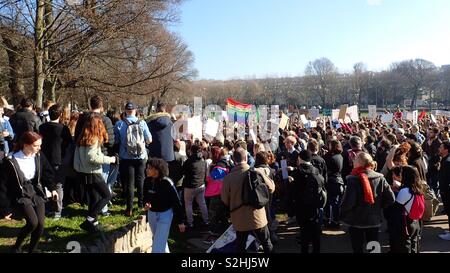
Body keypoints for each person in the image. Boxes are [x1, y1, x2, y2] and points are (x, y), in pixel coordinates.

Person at [0, 132, 58, 253]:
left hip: (36, 191)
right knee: (33, 223)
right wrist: (5, 208)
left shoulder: (38, 156)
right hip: (21, 194)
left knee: (41, 224)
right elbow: (2, 186)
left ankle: (33, 249)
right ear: (26, 145)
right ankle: (16, 247)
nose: (39, 148)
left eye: (40, 145)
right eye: (36, 145)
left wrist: (52, 188)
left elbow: (47, 173)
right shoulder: (10, 161)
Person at [221, 148, 275, 253]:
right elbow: (272, 187)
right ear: (246, 158)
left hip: (239, 217)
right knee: (266, 243)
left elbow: (224, 199)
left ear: (233, 159)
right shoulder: (256, 172)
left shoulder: (228, 178)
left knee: (241, 246)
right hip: (257, 215)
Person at [340, 152, 395, 253]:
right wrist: (379, 206)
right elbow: (391, 198)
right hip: (374, 218)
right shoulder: (380, 178)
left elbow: (348, 202)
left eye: (355, 159)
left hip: (356, 220)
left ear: (358, 163)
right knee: (373, 246)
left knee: (357, 247)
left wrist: (342, 212)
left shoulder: (353, 179)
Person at [74, 115, 116, 232]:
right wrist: (110, 159)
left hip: (83, 172)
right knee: (106, 195)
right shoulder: (94, 139)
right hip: (93, 172)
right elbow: (92, 158)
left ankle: (94, 224)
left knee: (93, 198)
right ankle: (90, 219)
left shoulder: (82, 137)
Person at [114, 102, 152, 216]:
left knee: (129, 182)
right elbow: (149, 139)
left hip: (126, 157)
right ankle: (141, 205)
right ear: (135, 110)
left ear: (125, 111)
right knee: (141, 180)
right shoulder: (142, 123)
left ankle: (129, 208)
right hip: (141, 156)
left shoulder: (119, 124)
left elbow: (116, 140)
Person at [143, 158, 185, 253]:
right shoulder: (147, 181)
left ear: (157, 170)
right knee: (159, 239)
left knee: (158, 243)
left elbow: (176, 202)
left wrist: (181, 221)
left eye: (149, 168)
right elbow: (145, 197)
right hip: (152, 214)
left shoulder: (167, 182)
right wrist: (146, 204)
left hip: (165, 215)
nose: (147, 170)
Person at [39, 104, 72, 219]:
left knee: (46, 184)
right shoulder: (63, 129)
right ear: (60, 115)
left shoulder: (42, 127)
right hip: (58, 159)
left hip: (44, 159)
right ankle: (57, 210)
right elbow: (68, 144)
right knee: (58, 185)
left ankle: (47, 207)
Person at [289, 150, 325, 253]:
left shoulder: (296, 173)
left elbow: (293, 192)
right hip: (315, 207)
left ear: (299, 158)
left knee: (304, 234)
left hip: (301, 208)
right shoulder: (316, 170)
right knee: (315, 234)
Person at [390, 165, 425, 253]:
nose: (400, 175)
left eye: (402, 173)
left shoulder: (404, 191)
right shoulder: (419, 188)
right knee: (414, 245)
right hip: (416, 221)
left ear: (406, 175)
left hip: (405, 223)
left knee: (405, 246)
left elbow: (396, 207)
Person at [182, 144, 209, 228]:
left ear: (191, 151)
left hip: (190, 186)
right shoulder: (203, 161)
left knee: (188, 204)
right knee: (202, 203)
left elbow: (183, 172)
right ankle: (206, 220)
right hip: (201, 185)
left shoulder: (188, 162)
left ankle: (190, 222)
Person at [323, 139, 344, 228]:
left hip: (332, 182)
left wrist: (326, 154)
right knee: (336, 203)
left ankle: (333, 221)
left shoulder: (332, 157)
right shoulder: (340, 156)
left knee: (332, 203)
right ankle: (336, 220)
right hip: (339, 181)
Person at [438, 141, 450, 241]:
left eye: (441, 147)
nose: (439, 148)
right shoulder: (445, 159)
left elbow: (446, 179)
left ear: (446, 149)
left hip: (447, 191)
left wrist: (444, 190)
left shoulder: (447, 162)